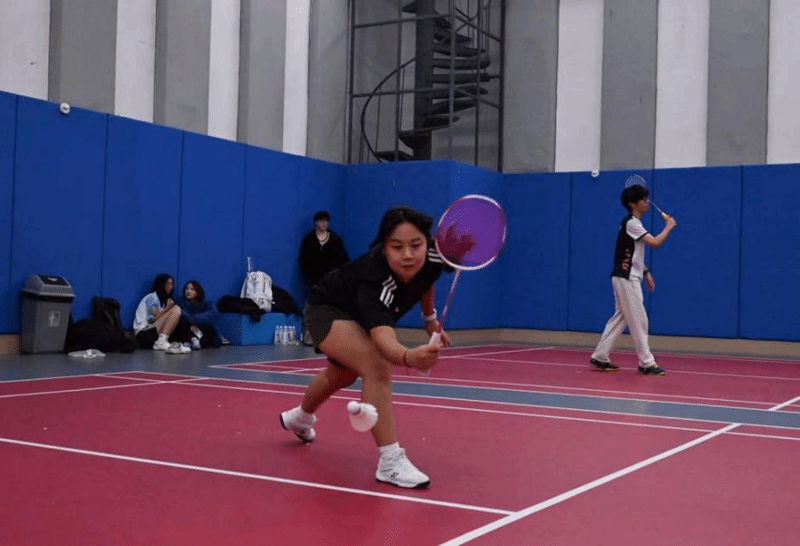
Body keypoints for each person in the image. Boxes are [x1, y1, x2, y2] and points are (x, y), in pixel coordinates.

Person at [280, 206, 452, 489]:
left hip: (354, 313)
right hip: (323, 311)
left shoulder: (433, 256)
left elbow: (427, 278)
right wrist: (409, 357)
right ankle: (390, 462)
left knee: (342, 375)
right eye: (397, 247)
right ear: (384, 247)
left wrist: (429, 319)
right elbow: (384, 342)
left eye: (416, 245)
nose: (408, 255)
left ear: (428, 242)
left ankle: (300, 418)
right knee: (375, 364)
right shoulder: (375, 280)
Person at [590, 184, 677, 375]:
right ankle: (646, 362)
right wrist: (668, 227)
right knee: (639, 320)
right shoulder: (632, 223)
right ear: (632, 204)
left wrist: (645, 272)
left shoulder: (633, 223)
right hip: (626, 277)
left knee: (620, 318)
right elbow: (655, 243)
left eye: (647, 199)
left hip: (626, 276)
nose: (647, 202)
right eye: (643, 200)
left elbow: (631, 252)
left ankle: (600, 356)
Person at [132, 273, 191, 354]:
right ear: (161, 284)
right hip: (144, 334)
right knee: (176, 309)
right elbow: (152, 320)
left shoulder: (163, 301)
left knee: (178, 313)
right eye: (168, 284)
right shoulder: (151, 297)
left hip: (153, 334)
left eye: (171, 284)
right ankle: (161, 342)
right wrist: (167, 308)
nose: (171, 287)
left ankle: (170, 342)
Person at [299, 210, 350, 290]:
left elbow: (343, 259)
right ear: (316, 222)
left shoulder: (335, 239)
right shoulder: (309, 240)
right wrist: (310, 278)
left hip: (333, 280)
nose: (324, 223)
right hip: (315, 281)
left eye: (326, 221)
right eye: (321, 221)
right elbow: (305, 260)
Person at [177, 280, 223, 349]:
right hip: (187, 331)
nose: (188, 291)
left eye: (192, 289)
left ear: (197, 292)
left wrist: (193, 320)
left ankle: (195, 341)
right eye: (187, 289)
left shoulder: (206, 303)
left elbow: (212, 316)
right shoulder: (181, 302)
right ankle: (191, 340)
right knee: (182, 322)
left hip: (203, 331)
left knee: (207, 325)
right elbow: (180, 314)